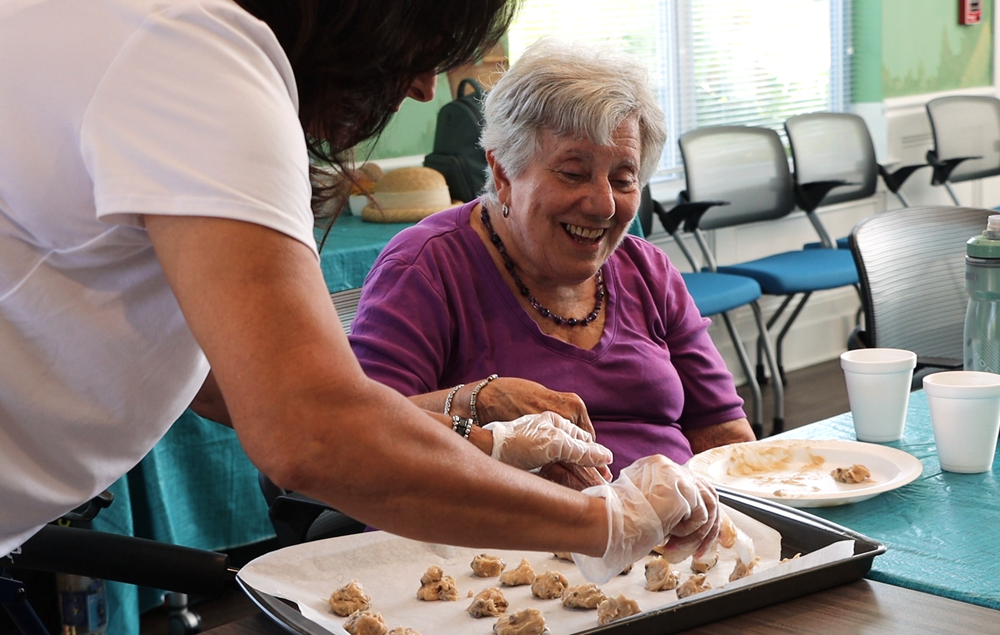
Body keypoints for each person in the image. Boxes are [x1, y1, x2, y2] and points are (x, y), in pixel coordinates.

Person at [0, 0, 722, 582]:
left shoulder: (151, 33)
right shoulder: (194, 53)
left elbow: (228, 381)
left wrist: (483, 440)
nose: (422, 87)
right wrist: (608, 522)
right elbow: (311, 428)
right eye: (425, 38)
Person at [349, 37, 756, 481]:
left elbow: (724, 437)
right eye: (572, 174)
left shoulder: (648, 271)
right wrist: (475, 401)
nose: (603, 205)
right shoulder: (426, 269)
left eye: (623, 179)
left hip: (672, 536)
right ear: (504, 172)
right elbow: (358, 433)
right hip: (500, 542)